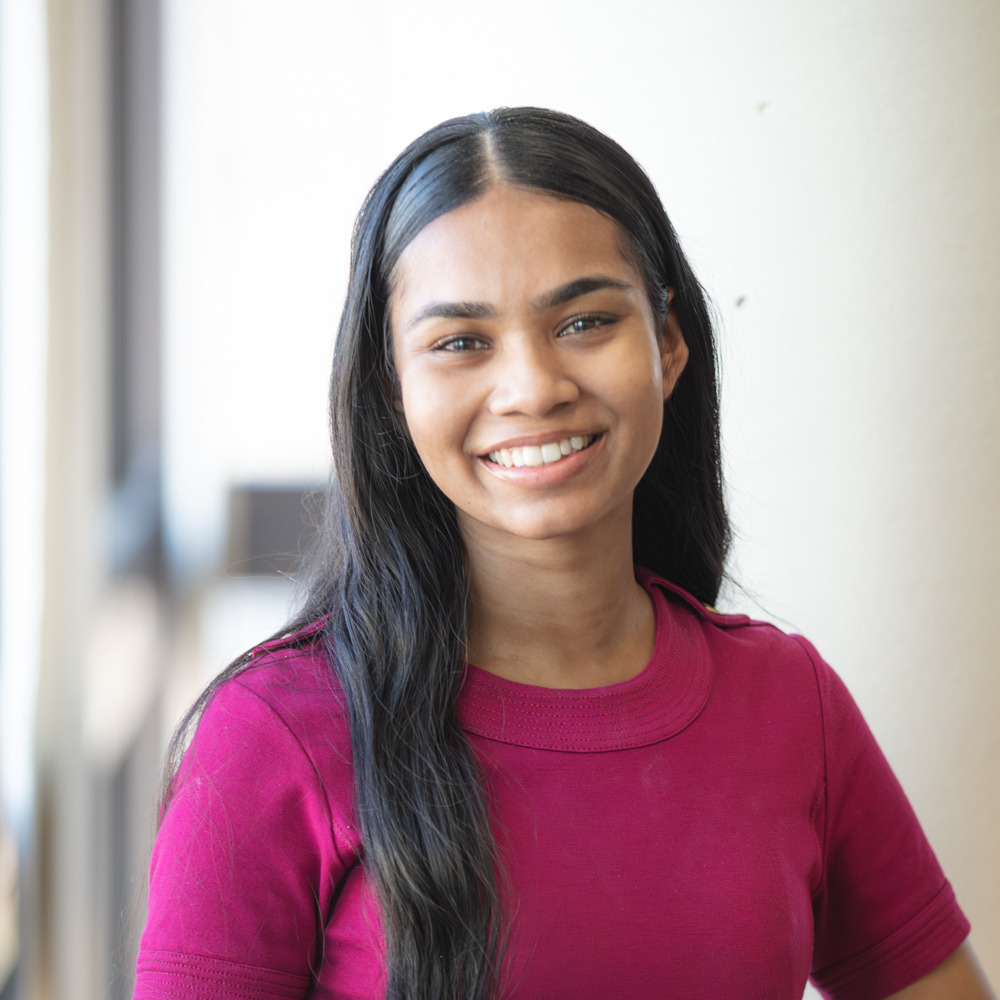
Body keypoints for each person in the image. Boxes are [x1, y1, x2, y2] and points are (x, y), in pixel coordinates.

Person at [133, 108, 994, 1000]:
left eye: (583, 322)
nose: (533, 388)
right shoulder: (274, 735)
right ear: (392, 391)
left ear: (666, 343)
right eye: (460, 342)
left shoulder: (791, 705)